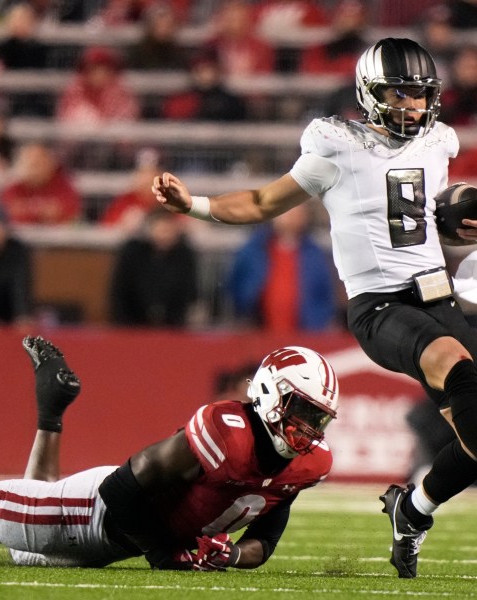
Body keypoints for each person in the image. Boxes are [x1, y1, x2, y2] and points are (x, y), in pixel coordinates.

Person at [152, 37, 477, 579]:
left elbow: (419, 222)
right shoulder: (336, 146)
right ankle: (414, 507)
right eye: (402, 93)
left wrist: (456, 223)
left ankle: (413, 508)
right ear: (372, 94)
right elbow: (261, 202)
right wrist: (196, 206)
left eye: (422, 95)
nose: (415, 106)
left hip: (438, 297)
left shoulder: (439, 143)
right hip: (380, 307)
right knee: (454, 364)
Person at [0, 335, 339, 570]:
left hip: (119, 545)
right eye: (301, 410)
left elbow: (264, 542)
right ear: (268, 392)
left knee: (24, 554)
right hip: (92, 513)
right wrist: (167, 553)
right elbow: (121, 490)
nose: (307, 428)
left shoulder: (307, 465)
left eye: (317, 418)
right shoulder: (226, 431)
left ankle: (51, 412)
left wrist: (229, 558)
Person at [227, 203, 336, 333]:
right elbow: (236, 284)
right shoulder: (254, 250)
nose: (291, 218)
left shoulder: (315, 254)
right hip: (258, 331)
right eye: (287, 213)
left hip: (305, 333)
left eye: (297, 213)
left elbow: (325, 293)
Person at [108, 207, 197, 327]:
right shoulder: (132, 252)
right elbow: (120, 290)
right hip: (133, 322)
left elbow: (188, 291)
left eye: (168, 230)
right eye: (161, 229)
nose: (164, 235)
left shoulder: (184, 255)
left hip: (172, 325)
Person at [0, 142, 81, 224]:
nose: (36, 168)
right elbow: (7, 212)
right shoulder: (13, 188)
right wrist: (42, 213)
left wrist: (28, 211)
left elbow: (69, 212)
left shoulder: (64, 185)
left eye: (40, 162)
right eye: (32, 163)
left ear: (50, 163)